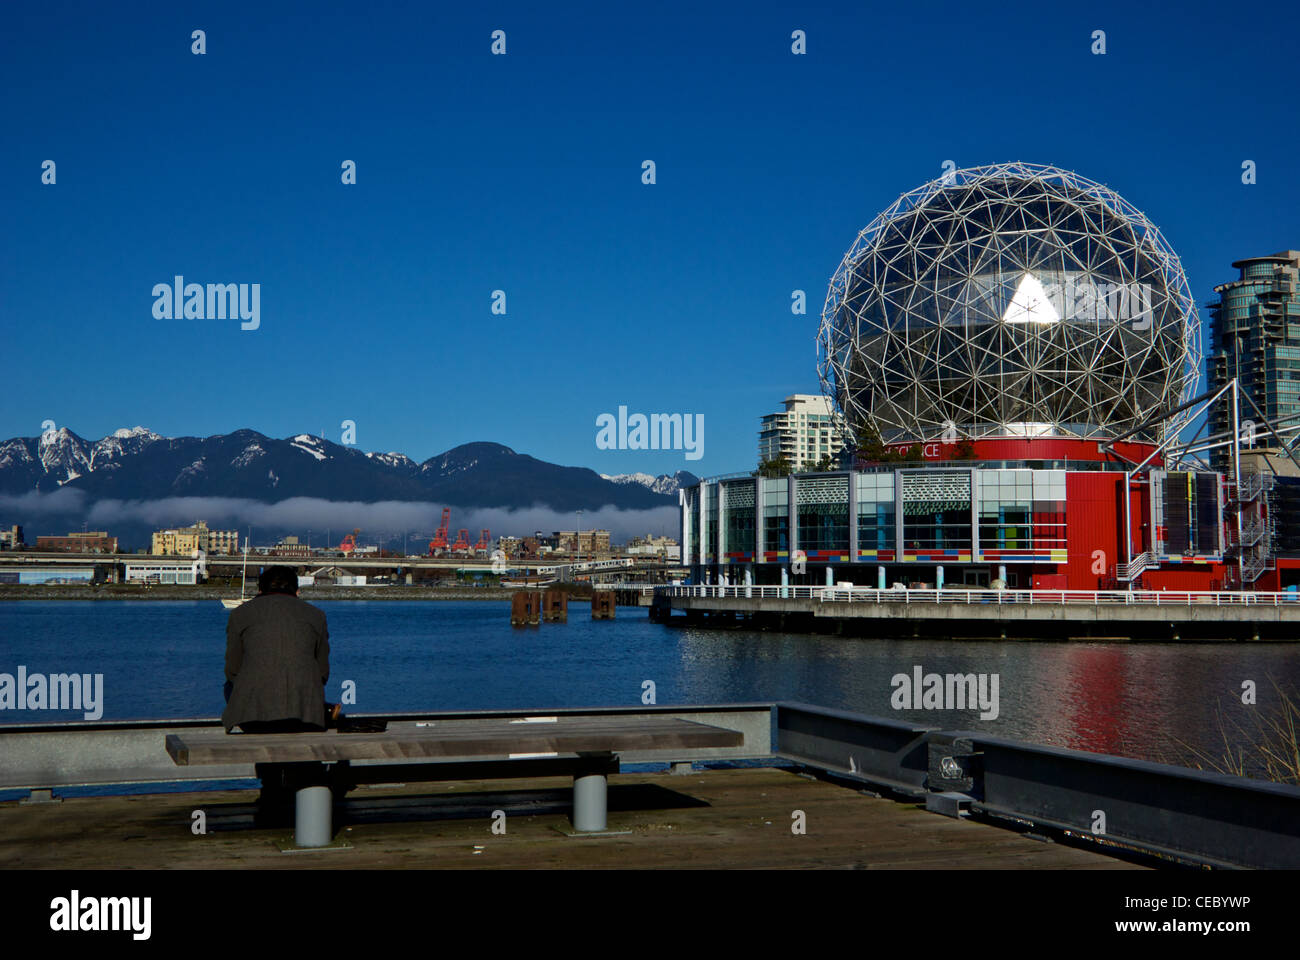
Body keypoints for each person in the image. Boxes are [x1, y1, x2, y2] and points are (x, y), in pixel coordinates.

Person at [222, 565, 331, 733]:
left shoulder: (240, 613)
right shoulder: (317, 615)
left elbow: (232, 670)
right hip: (306, 716)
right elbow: (323, 672)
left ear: (260, 590)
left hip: (252, 718)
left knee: (229, 686)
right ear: (296, 590)